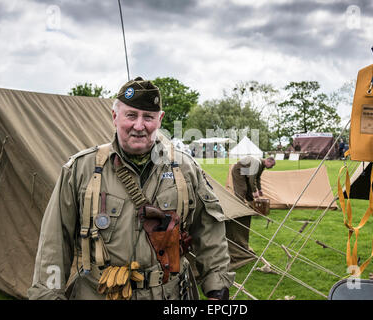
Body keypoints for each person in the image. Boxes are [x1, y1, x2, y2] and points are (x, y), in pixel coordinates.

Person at [28, 77, 235, 300]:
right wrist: (48, 295)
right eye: (131, 115)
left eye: (148, 117)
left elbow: (209, 231)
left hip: (170, 294)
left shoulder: (185, 169)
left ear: (160, 119)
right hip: (101, 293)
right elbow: (55, 241)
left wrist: (217, 288)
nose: (139, 126)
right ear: (115, 116)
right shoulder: (81, 169)